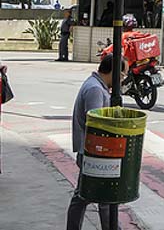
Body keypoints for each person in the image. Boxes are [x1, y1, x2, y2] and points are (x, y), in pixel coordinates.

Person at [67, 53, 117, 229]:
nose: (124, 79)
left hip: (92, 152)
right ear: (113, 71)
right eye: (123, 73)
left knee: (88, 196)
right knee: (92, 196)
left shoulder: (96, 85)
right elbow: (96, 125)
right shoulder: (95, 89)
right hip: (92, 152)